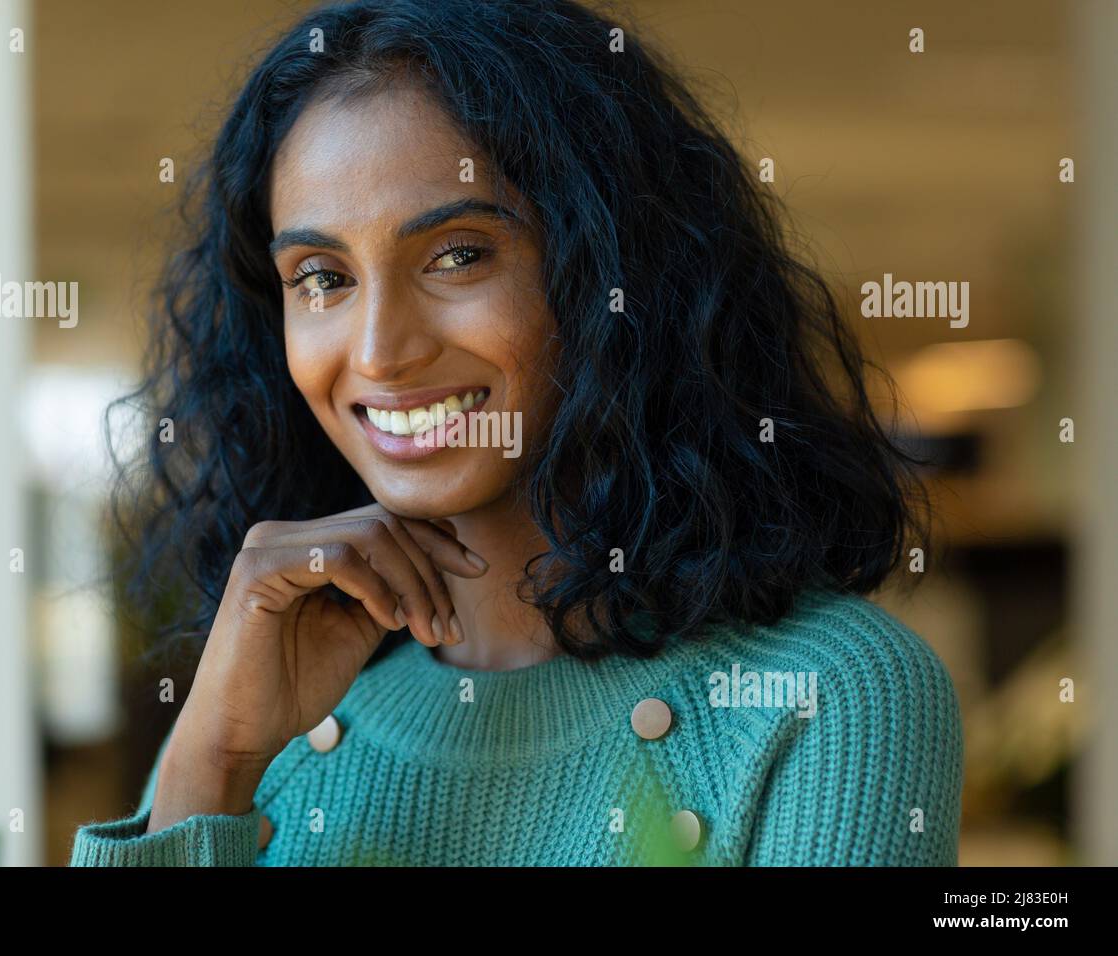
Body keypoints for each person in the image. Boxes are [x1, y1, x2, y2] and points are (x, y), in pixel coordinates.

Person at [70, 0, 963, 866]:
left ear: (612, 270)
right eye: (321, 278)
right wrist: (212, 768)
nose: (379, 353)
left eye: (458, 255)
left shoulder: (823, 695)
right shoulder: (262, 728)